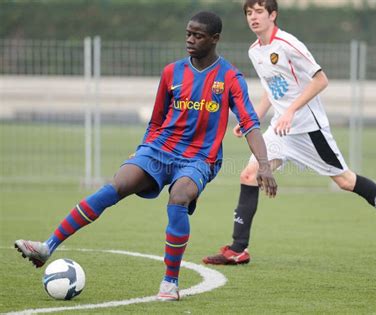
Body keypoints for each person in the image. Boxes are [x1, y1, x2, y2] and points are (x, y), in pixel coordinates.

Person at [14, 11, 277, 302]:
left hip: (200, 158)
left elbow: (251, 123)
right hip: (159, 150)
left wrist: (264, 165)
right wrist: (142, 150)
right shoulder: (171, 73)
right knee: (117, 185)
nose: (190, 39)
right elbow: (156, 121)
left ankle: (169, 283)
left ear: (215, 39)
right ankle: (47, 246)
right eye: (188, 33)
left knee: (178, 197)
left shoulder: (229, 78)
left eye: (198, 35)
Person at [203, 0, 376, 265]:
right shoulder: (255, 51)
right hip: (281, 131)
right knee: (249, 175)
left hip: (308, 130)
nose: (253, 17)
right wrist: (253, 118)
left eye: (259, 11)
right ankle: (238, 248)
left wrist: (291, 111)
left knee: (346, 182)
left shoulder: (288, 44)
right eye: (249, 13)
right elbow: (271, 91)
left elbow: (321, 80)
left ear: (273, 15)